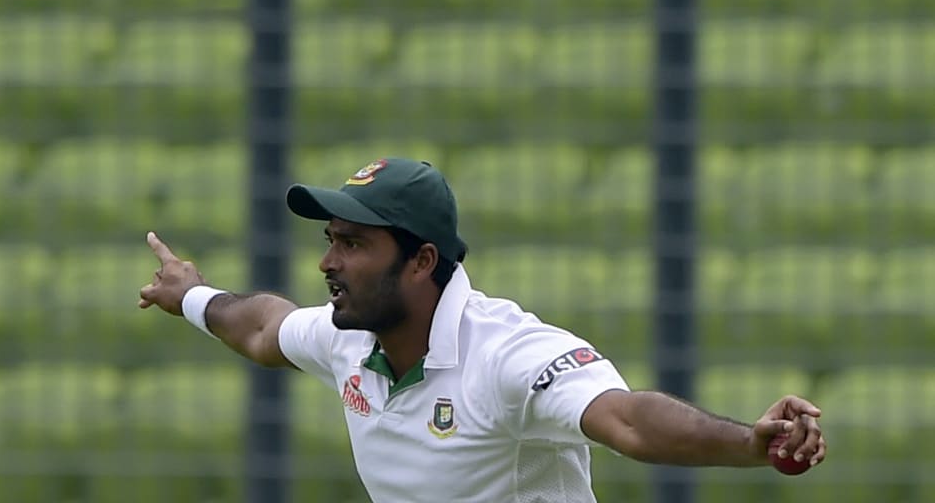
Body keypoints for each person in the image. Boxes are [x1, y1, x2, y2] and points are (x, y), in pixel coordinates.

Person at [139, 157, 826, 503]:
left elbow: (630, 422)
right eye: (330, 240)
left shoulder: (506, 355)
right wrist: (192, 295)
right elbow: (265, 328)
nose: (327, 262)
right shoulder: (350, 337)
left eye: (353, 244)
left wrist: (749, 444)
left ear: (423, 261)